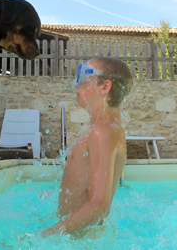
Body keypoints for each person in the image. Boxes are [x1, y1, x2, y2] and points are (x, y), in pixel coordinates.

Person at [42, 57, 133, 237]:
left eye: (84, 76)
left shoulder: (104, 131)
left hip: (81, 240)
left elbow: (99, 205)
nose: (76, 83)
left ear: (104, 87)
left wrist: (43, 237)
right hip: (77, 235)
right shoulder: (101, 129)